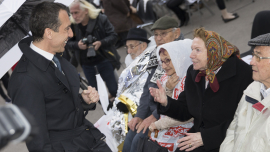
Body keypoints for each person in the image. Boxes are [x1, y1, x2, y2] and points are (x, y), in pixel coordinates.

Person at [8, 2, 111, 151]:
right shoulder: (25, 79)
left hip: (88, 139)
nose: (71, 34)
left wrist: (83, 99)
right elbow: (37, 142)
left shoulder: (56, 57)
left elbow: (57, 107)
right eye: (67, 29)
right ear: (48, 33)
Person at [149, 27, 253, 152]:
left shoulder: (243, 74)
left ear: (213, 51)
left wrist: (206, 137)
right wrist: (166, 102)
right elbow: (186, 110)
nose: (191, 55)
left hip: (229, 141)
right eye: (192, 49)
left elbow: (247, 121)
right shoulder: (194, 72)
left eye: (197, 50)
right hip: (198, 138)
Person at [122, 16, 184, 152]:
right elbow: (147, 90)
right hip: (155, 109)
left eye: (163, 34)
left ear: (177, 33)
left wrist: (154, 116)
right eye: (156, 35)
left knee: (139, 141)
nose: (159, 38)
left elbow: (179, 97)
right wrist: (139, 115)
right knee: (130, 134)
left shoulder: (184, 55)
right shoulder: (156, 55)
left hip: (174, 113)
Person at [100, 27, 150, 151]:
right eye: (127, 47)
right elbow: (124, 87)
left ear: (143, 46)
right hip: (127, 108)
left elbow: (143, 89)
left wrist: (125, 103)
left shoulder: (149, 61)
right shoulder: (131, 61)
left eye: (132, 47)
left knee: (129, 142)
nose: (128, 51)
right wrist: (117, 101)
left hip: (143, 111)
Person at [220, 33, 270, 152]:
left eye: (258, 57)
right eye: (253, 55)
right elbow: (232, 132)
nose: (251, 62)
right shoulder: (252, 90)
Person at [148, 40, 194, 152]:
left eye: (168, 60)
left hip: (186, 129)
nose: (164, 65)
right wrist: (168, 89)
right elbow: (166, 109)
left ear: (180, 57)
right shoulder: (166, 77)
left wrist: (158, 124)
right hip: (167, 128)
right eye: (162, 61)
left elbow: (187, 115)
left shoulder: (191, 78)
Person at [67, 0, 118, 99]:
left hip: (104, 59)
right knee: (96, 95)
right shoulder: (72, 25)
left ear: (86, 10)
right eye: (72, 13)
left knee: (114, 89)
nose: (74, 16)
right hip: (86, 65)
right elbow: (67, 43)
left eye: (76, 12)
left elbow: (113, 36)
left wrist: (101, 43)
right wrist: (78, 45)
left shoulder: (101, 19)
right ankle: (107, 109)